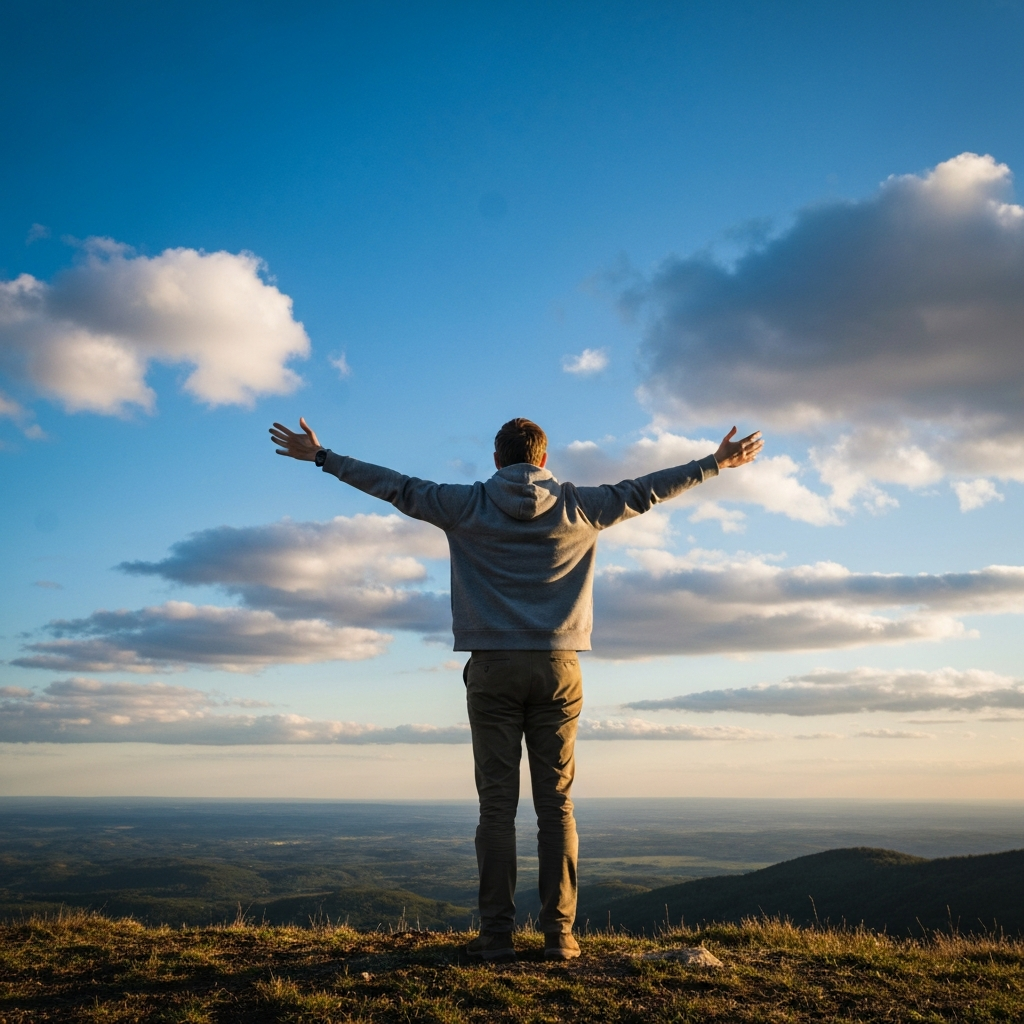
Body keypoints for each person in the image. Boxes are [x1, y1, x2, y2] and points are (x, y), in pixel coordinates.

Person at [269, 416, 762, 961]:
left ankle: (496, 935)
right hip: (558, 667)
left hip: (492, 667)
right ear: (544, 461)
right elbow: (647, 490)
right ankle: (560, 936)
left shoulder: (466, 504)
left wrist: (321, 456)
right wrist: (716, 462)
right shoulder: (582, 505)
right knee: (556, 807)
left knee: (497, 809)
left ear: (499, 460)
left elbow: (397, 487)